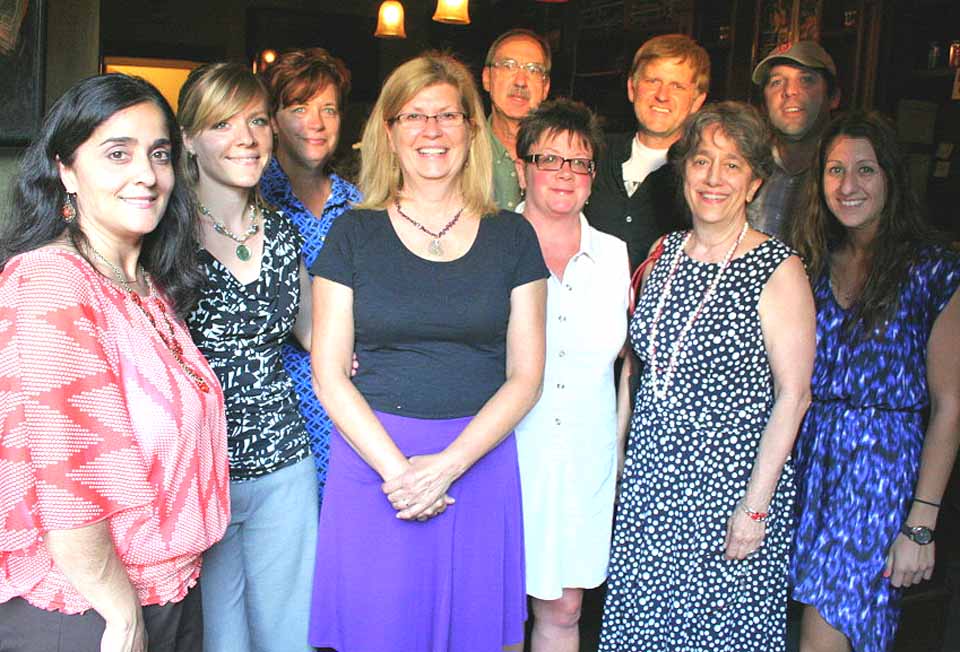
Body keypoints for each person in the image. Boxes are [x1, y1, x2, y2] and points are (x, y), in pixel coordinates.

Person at [308, 51, 548, 652]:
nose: (432, 131)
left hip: (478, 460)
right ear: (389, 131)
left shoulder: (513, 236)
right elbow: (329, 373)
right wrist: (400, 473)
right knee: (379, 633)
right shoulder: (353, 233)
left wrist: (447, 465)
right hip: (376, 465)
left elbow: (527, 376)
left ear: (472, 128)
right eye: (414, 116)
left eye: (447, 116)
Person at [0, 73, 229, 652]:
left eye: (158, 154)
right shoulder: (54, 281)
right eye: (117, 153)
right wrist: (122, 614)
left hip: (168, 590)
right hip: (89, 612)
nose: (146, 175)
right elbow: (68, 478)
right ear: (66, 170)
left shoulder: (144, 285)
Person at [599, 102, 815, 651]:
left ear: (754, 182)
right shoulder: (663, 252)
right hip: (651, 489)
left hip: (728, 495)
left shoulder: (778, 268)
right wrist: (622, 458)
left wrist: (755, 507)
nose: (713, 177)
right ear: (684, 171)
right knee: (641, 630)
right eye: (701, 161)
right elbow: (636, 365)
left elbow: (794, 396)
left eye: (733, 164)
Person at [789, 111, 960, 652]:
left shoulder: (935, 268)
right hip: (807, 461)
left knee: (828, 626)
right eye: (835, 170)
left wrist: (920, 524)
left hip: (876, 468)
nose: (848, 185)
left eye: (865, 170)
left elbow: (951, 404)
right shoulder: (808, 264)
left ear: (891, 176)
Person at [177, 63, 317, 652]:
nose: (248, 136)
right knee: (219, 641)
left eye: (258, 120)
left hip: (284, 464)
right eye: (223, 123)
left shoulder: (284, 235)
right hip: (198, 473)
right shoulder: (163, 233)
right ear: (186, 138)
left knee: (290, 636)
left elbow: (322, 338)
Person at [513, 98, 630, 652]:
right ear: (521, 168)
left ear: (592, 177)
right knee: (491, 603)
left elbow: (631, 367)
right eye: (548, 158)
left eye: (579, 162)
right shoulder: (485, 244)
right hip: (502, 455)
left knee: (565, 608)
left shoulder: (616, 257)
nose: (564, 173)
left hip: (584, 458)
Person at [259, 48, 362, 504]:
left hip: (353, 400)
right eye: (299, 108)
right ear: (274, 120)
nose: (316, 122)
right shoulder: (251, 201)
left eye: (328, 109)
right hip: (277, 410)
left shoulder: (360, 205)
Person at [584, 33, 709, 269]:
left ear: (696, 101)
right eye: (653, 81)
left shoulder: (705, 175)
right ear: (632, 88)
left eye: (677, 86)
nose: (662, 96)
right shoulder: (593, 153)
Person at [748, 40, 840, 239]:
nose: (789, 91)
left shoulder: (849, 176)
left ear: (833, 97)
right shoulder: (745, 165)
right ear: (764, 103)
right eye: (776, 82)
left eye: (806, 79)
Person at [482, 28, 552, 211]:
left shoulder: (561, 159)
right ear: (487, 78)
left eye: (534, 70)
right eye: (508, 66)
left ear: (546, 87)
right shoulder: (460, 149)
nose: (520, 81)